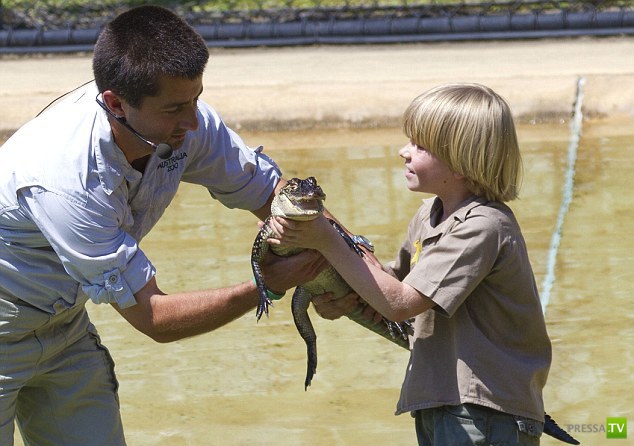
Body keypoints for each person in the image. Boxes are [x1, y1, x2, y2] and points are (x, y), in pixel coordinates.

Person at [0, 5, 328, 445]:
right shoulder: (66, 179)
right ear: (116, 103)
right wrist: (266, 285)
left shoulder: (183, 121)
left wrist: (357, 275)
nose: (193, 122)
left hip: (64, 324)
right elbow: (154, 318)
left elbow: (275, 195)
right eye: (175, 108)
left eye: (196, 98)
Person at [268, 83, 553, 445]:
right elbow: (391, 283)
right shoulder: (429, 215)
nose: (403, 152)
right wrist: (343, 295)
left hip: (484, 411)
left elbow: (400, 304)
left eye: (419, 146)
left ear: (461, 162)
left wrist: (327, 239)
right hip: (440, 400)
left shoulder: (484, 226)